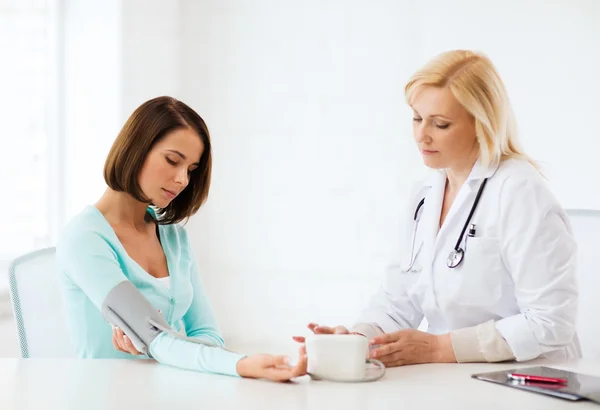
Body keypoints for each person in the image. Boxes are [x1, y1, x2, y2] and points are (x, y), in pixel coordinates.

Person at [294, 50, 580, 366]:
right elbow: (397, 302)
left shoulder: (519, 192)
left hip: (530, 380)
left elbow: (551, 321)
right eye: (417, 118)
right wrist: (357, 341)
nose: (421, 135)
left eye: (440, 124)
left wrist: (441, 348)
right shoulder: (426, 195)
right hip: (455, 380)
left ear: (482, 124)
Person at [57, 96, 307, 381]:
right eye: (172, 160)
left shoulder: (174, 237)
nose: (182, 180)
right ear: (136, 149)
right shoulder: (84, 239)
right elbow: (155, 338)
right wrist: (239, 364)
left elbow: (208, 335)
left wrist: (158, 344)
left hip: (170, 390)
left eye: (190, 170)